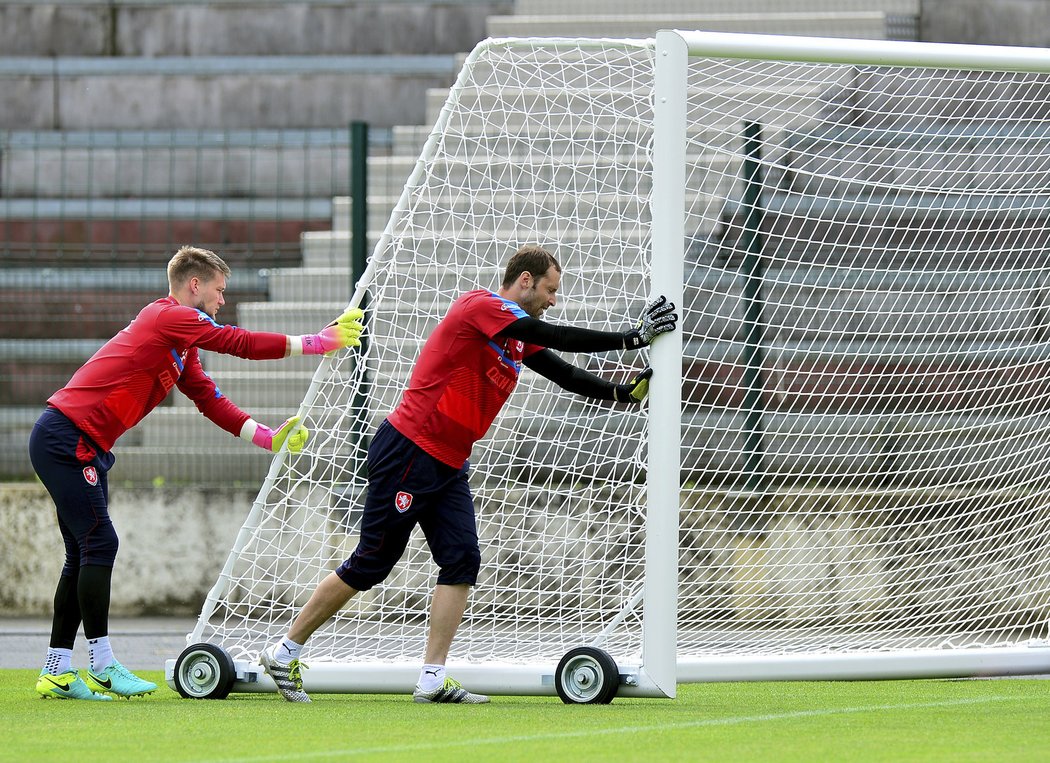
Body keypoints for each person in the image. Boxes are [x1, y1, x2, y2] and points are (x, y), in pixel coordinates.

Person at [259, 244, 677, 704]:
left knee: (461, 561)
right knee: (372, 563)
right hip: (410, 449)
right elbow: (552, 333)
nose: (554, 299)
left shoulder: (517, 338)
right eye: (550, 290)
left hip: (450, 462)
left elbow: (566, 374)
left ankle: (432, 678)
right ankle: (284, 651)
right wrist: (631, 337)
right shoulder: (480, 306)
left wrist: (621, 392)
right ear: (525, 281)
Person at [29, 245, 364, 701]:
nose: (221, 300)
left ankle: (57, 668)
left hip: (82, 442)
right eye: (218, 291)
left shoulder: (180, 345)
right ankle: (102, 665)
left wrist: (268, 437)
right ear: (194, 285)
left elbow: (209, 400)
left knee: (82, 551)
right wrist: (313, 343)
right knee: (100, 543)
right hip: (65, 438)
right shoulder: (168, 316)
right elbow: (236, 342)